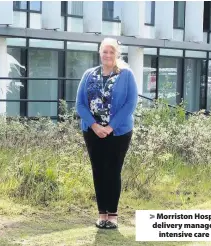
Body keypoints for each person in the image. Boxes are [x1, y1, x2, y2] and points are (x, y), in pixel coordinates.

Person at [76, 38, 138, 229]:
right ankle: (101, 214)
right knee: (98, 171)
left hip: (118, 132)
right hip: (92, 131)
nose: (108, 55)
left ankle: (112, 215)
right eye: (105, 52)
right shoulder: (89, 74)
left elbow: (130, 103)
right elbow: (80, 104)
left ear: (117, 54)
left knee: (112, 171)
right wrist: (95, 126)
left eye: (111, 52)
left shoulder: (126, 75)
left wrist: (110, 127)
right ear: (100, 53)